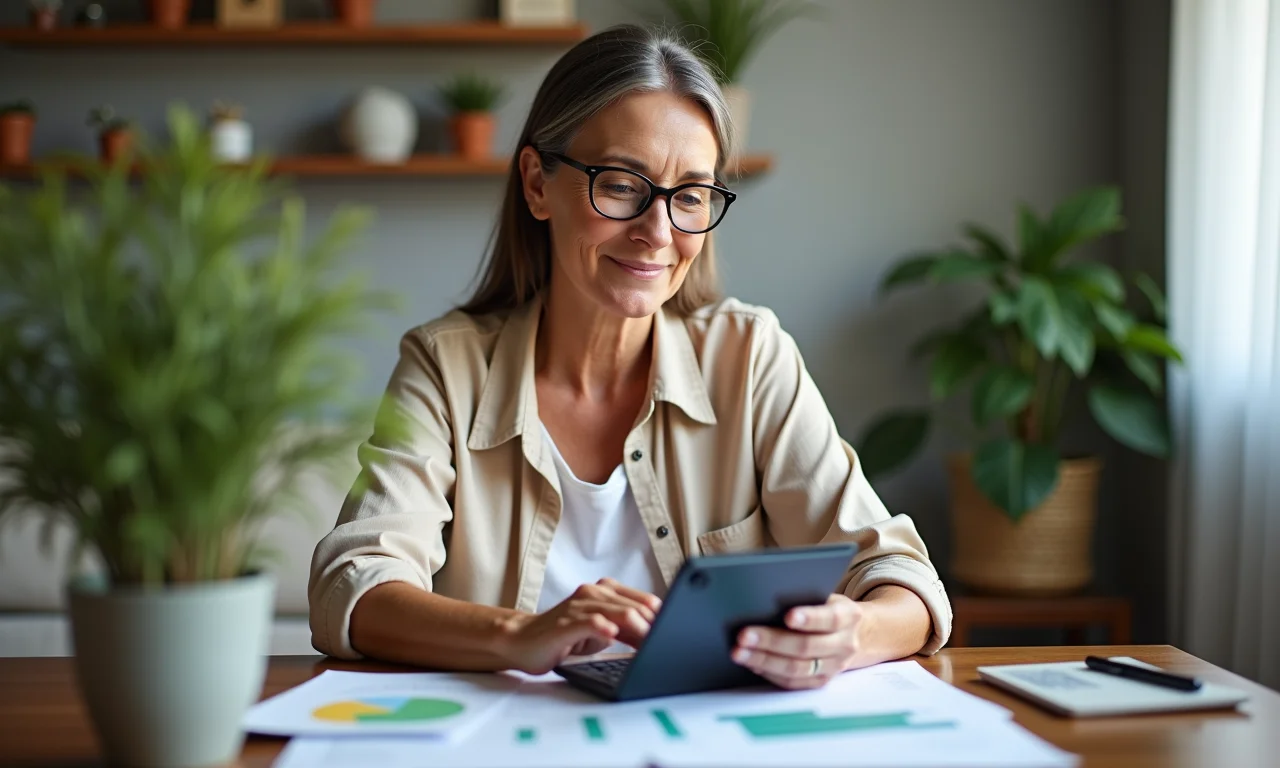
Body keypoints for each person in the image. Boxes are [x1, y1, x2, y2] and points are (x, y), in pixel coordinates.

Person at [308, 24, 951, 691]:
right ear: (536, 183)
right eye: (621, 184)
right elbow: (352, 588)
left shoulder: (750, 359)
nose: (658, 232)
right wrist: (519, 635)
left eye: (691, 196)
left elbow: (902, 579)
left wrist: (850, 634)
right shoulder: (445, 369)